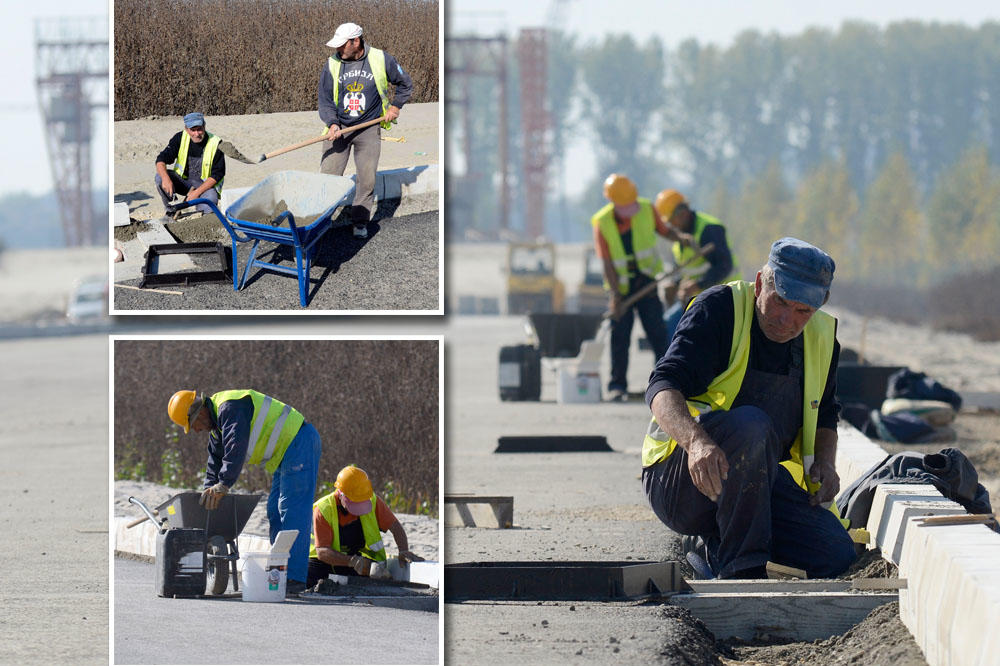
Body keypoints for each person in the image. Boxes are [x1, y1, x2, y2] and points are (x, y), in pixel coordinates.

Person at [641, 237, 856, 579]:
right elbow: (662, 386)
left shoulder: (821, 338)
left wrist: (827, 464)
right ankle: (742, 569)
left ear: (819, 305)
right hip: (684, 483)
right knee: (752, 425)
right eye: (781, 302)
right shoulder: (720, 309)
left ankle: (715, 546)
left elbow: (826, 411)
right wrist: (696, 443)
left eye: (803, 311)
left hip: (758, 487)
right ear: (760, 284)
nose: (788, 320)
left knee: (834, 553)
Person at [167, 389, 321, 595]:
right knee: (275, 511)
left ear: (200, 412)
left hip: (299, 441)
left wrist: (224, 484)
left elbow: (235, 446)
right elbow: (215, 462)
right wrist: (208, 490)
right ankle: (279, 571)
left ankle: (294, 577)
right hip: (285, 453)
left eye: (192, 424)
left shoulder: (230, 407)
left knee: (292, 510)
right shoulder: (217, 429)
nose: (195, 430)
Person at [592, 173, 687, 402]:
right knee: (620, 338)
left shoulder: (645, 209)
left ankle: (668, 383)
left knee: (658, 334)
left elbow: (665, 232)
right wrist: (615, 296)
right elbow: (606, 262)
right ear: (613, 202)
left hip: (646, 283)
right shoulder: (602, 222)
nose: (631, 208)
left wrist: (681, 238)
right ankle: (617, 386)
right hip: (621, 288)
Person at [318, 22, 413, 239]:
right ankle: (319, 223)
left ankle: (360, 221)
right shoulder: (331, 64)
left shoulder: (381, 59)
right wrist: (332, 123)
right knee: (327, 179)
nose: (338, 50)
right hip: (338, 129)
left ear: (356, 41)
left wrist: (396, 106)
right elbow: (324, 100)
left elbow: (405, 84)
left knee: (367, 179)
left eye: (343, 46)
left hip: (369, 127)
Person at [306, 465, 424, 587]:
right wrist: (352, 561)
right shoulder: (324, 509)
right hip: (323, 561)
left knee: (376, 579)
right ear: (340, 494)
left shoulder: (373, 501)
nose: (357, 510)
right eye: (354, 503)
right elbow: (322, 551)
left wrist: (403, 550)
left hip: (356, 560)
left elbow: (395, 527)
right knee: (310, 577)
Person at [654, 189, 739, 343]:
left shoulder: (709, 229)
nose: (671, 226)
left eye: (672, 221)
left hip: (724, 298)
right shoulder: (680, 240)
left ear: (683, 214)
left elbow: (724, 266)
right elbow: (690, 271)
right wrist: (676, 284)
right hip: (698, 298)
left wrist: (698, 285)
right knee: (665, 329)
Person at [154, 112, 225, 218]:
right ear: (187, 129)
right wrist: (165, 179)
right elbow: (160, 160)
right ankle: (171, 211)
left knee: (211, 199)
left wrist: (196, 193)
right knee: (159, 177)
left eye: (199, 129)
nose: (197, 134)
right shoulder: (180, 138)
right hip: (184, 183)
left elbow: (217, 174)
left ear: (204, 126)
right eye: (193, 130)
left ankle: (204, 217)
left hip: (204, 186)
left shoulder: (216, 143)